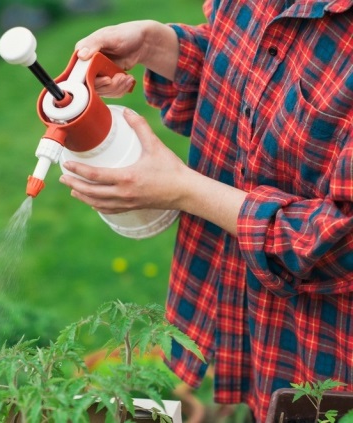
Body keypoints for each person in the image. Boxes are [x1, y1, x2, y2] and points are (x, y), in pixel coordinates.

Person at [58, 1, 353, 421]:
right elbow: (248, 66)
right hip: (254, 313)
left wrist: (185, 191)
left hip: (321, 348)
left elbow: (340, 242)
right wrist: (158, 45)